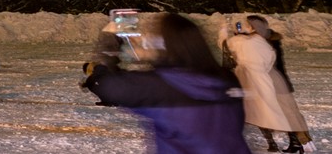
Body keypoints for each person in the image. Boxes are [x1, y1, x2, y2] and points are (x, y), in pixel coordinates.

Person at [89, 12, 249, 154]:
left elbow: (106, 85)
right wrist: (158, 60)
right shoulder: (227, 79)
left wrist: (108, 48)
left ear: (164, 44)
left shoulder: (163, 86)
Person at [224, 18, 310, 152]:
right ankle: (277, 142)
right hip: (268, 81)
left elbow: (269, 63)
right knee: (264, 111)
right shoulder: (258, 39)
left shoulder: (263, 41)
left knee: (285, 113)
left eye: (249, 25)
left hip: (275, 82)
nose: (247, 28)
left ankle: (298, 142)